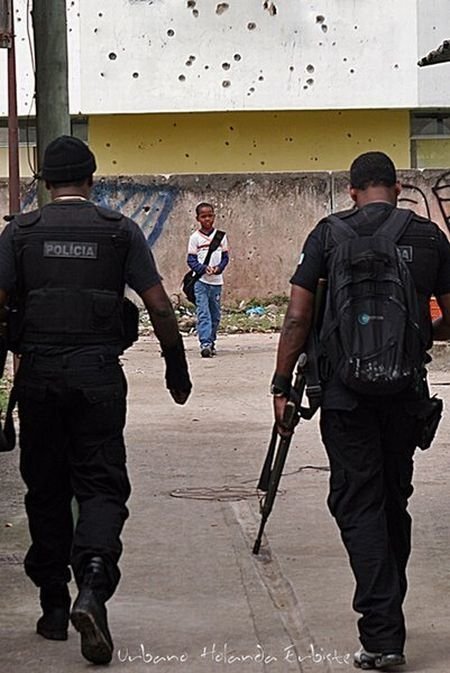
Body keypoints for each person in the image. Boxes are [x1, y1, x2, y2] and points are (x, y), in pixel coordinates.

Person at [0, 136, 192, 665]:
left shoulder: (20, 234)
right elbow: (157, 305)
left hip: (38, 379)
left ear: (45, 182)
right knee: (102, 485)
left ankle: (54, 606)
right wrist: (176, 365)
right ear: (92, 177)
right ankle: (93, 581)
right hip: (99, 381)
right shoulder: (119, 231)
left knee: (45, 487)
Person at [271, 151, 450, 670]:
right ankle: (388, 610)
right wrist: (420, 332)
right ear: (396, 188)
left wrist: (282, 385)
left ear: (352, 191)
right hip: (404, 393)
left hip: (345, 396)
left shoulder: (327, 235)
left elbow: (297, 318)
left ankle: (382, 631)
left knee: (358, 502)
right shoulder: (429, 238)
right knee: (394, 497)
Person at [187, 202, 229, 357]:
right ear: (198, 218)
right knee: (203, 313)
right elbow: (191, 261)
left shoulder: (221, 237)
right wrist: (203, 269)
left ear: (214, 217)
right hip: (201, 282)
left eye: (210, 216)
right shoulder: (195, 238)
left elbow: (225, 258)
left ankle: (211, 341)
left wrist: (218, 268)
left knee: (215, 314)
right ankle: (204, 343)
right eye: (203, 216)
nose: (207, 219)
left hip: (216, 282)